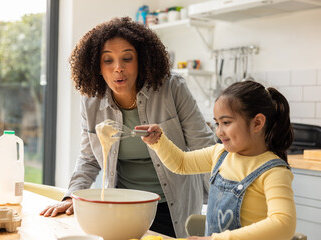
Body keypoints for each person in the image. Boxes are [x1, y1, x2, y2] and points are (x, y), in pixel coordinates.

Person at [40, 16, 215, 238]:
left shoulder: (172, 88)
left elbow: (205, 148)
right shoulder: (91, 100)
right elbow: (88, 159)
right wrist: (70, 196)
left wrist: (226, 203)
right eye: (108, 60)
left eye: (127, 58)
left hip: (173, 207)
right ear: (96, 65)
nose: (118, 68)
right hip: (122, 206)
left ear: (141, 60)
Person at [137, 80, 296, 240]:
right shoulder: (220, 154)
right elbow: (181, 164)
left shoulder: (273, 172)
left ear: (257, 123)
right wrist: (158, 141)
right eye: (217, 123)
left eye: (226, 122)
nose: (219, 131)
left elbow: (283, 224)